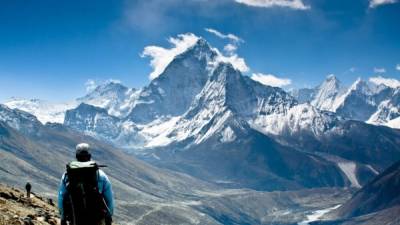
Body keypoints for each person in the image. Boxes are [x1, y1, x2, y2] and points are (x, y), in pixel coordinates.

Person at [58, 143, 114, 225]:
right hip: (97, 219)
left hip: (75, 218)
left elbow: (61, 198)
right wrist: (109, 216)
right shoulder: (100, 175)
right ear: (90, 156)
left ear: (76, 156)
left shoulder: (67, 175)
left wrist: (63, 218)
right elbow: (109, 199)